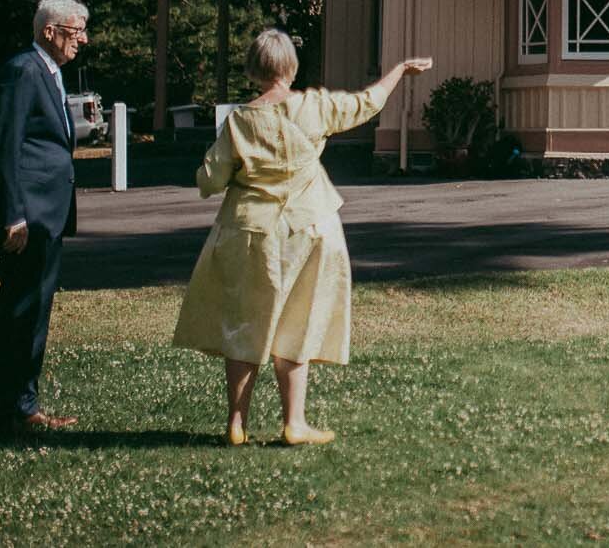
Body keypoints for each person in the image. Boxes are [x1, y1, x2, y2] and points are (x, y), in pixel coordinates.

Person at [172, 29, 431, 445]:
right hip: (310, 226)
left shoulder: (239, 120)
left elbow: (211, 179)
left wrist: (226, 172)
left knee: (244, 322)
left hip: (250, 229)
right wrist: (399, 70)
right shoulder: (314, 107)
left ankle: (236, 423)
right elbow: (369, 102)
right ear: (290, 67)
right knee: (300, 321)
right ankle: (294, 422)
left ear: (253, 69)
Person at [0, 0, 88, 437]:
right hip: (27, 214)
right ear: (50, 31)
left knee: (34, 312)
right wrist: (14, 215)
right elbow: (4, 146)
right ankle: (6, 410)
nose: (82, 40)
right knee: (20, 312)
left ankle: (23, 404)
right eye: (75, 30)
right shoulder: (23, 70)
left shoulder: (48, 71)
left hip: (49, 211)